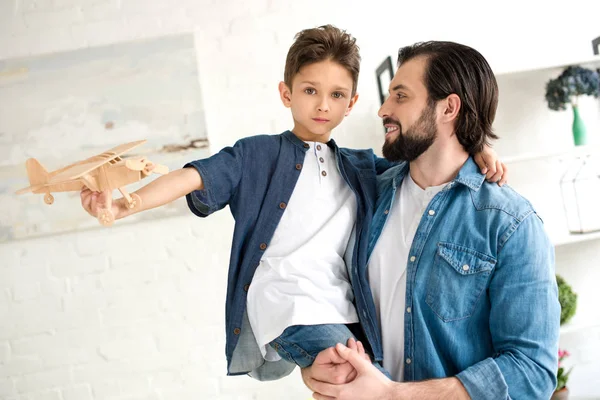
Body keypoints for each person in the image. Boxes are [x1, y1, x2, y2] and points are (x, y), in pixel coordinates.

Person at [80, 28, 501, 381]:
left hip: (345, 310)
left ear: (351, 102)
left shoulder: (360, 166)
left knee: (381, 377)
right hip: (289, 304)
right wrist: (123, 205)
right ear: (286, 93)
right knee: (350, 378)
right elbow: (192, 177)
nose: (322, 104)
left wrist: (477, 150)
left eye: (337, 95)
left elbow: (428, 162)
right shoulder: (256, 155)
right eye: (310, 90)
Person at [301, 41, 560, 400]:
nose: (383, 110)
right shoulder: (366, 194)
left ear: (448, 108)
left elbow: (531, 372)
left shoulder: (510, 224)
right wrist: (317, 363)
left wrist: (392, 395)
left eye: (400, 96)